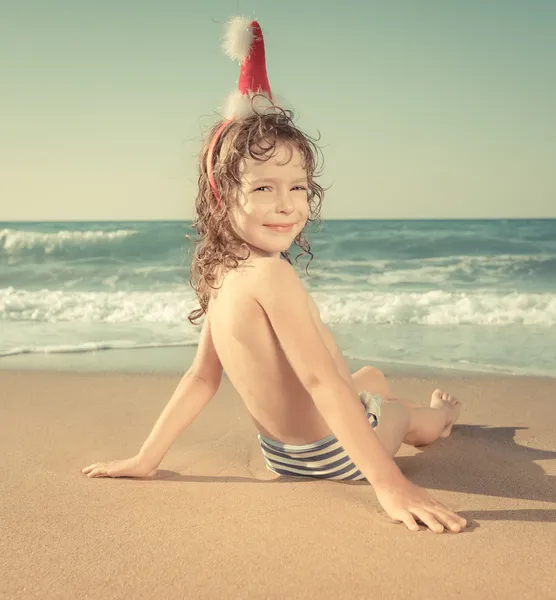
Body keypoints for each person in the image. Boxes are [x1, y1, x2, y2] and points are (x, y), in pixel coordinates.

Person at [82, 17, 467, 534]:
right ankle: (441, 419)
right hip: (335, 455)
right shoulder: (272, 275)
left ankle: (383, 402)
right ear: (223, 196)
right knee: (411, 420)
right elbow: (319, 380)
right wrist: (389, 484)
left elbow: (202, 379)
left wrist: (147, 457)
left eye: (299, 189)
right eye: (264, 189)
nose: (287, 206)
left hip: (282, 455)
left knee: (370, 379)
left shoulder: (222, 271)